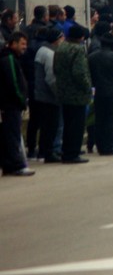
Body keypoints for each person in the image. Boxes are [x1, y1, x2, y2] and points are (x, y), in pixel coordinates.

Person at [54, 25, 91, 164]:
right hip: (77, 94)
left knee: (67, 124)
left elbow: (55, 68)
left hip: (63, 91)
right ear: (81, 37)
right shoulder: (78, 49)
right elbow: (79, 72)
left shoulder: (61, 47)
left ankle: (66, 151)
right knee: (77, 125)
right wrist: (87, 87)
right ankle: (73, 153)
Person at [0, 32, 34, 176]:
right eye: (22, 44)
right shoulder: (9, 59)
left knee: (9, 135)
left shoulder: (11, 58)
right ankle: (16, 164)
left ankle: (9, 164)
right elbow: (14, 83)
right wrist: (21, 100)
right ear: (13, 43)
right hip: (11, 105)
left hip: (9, 104)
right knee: (13, 135)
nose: (24, 47)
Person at [32, 27, 63, 162]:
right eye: (61, 37)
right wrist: (59, 94)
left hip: (40, 94)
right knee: (51, 126)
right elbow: (51, 78)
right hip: (49, 96)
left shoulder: (41, 50)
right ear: (56, 39)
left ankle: (43, 151)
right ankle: (48, 152)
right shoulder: (50, 54)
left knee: (45, 126)